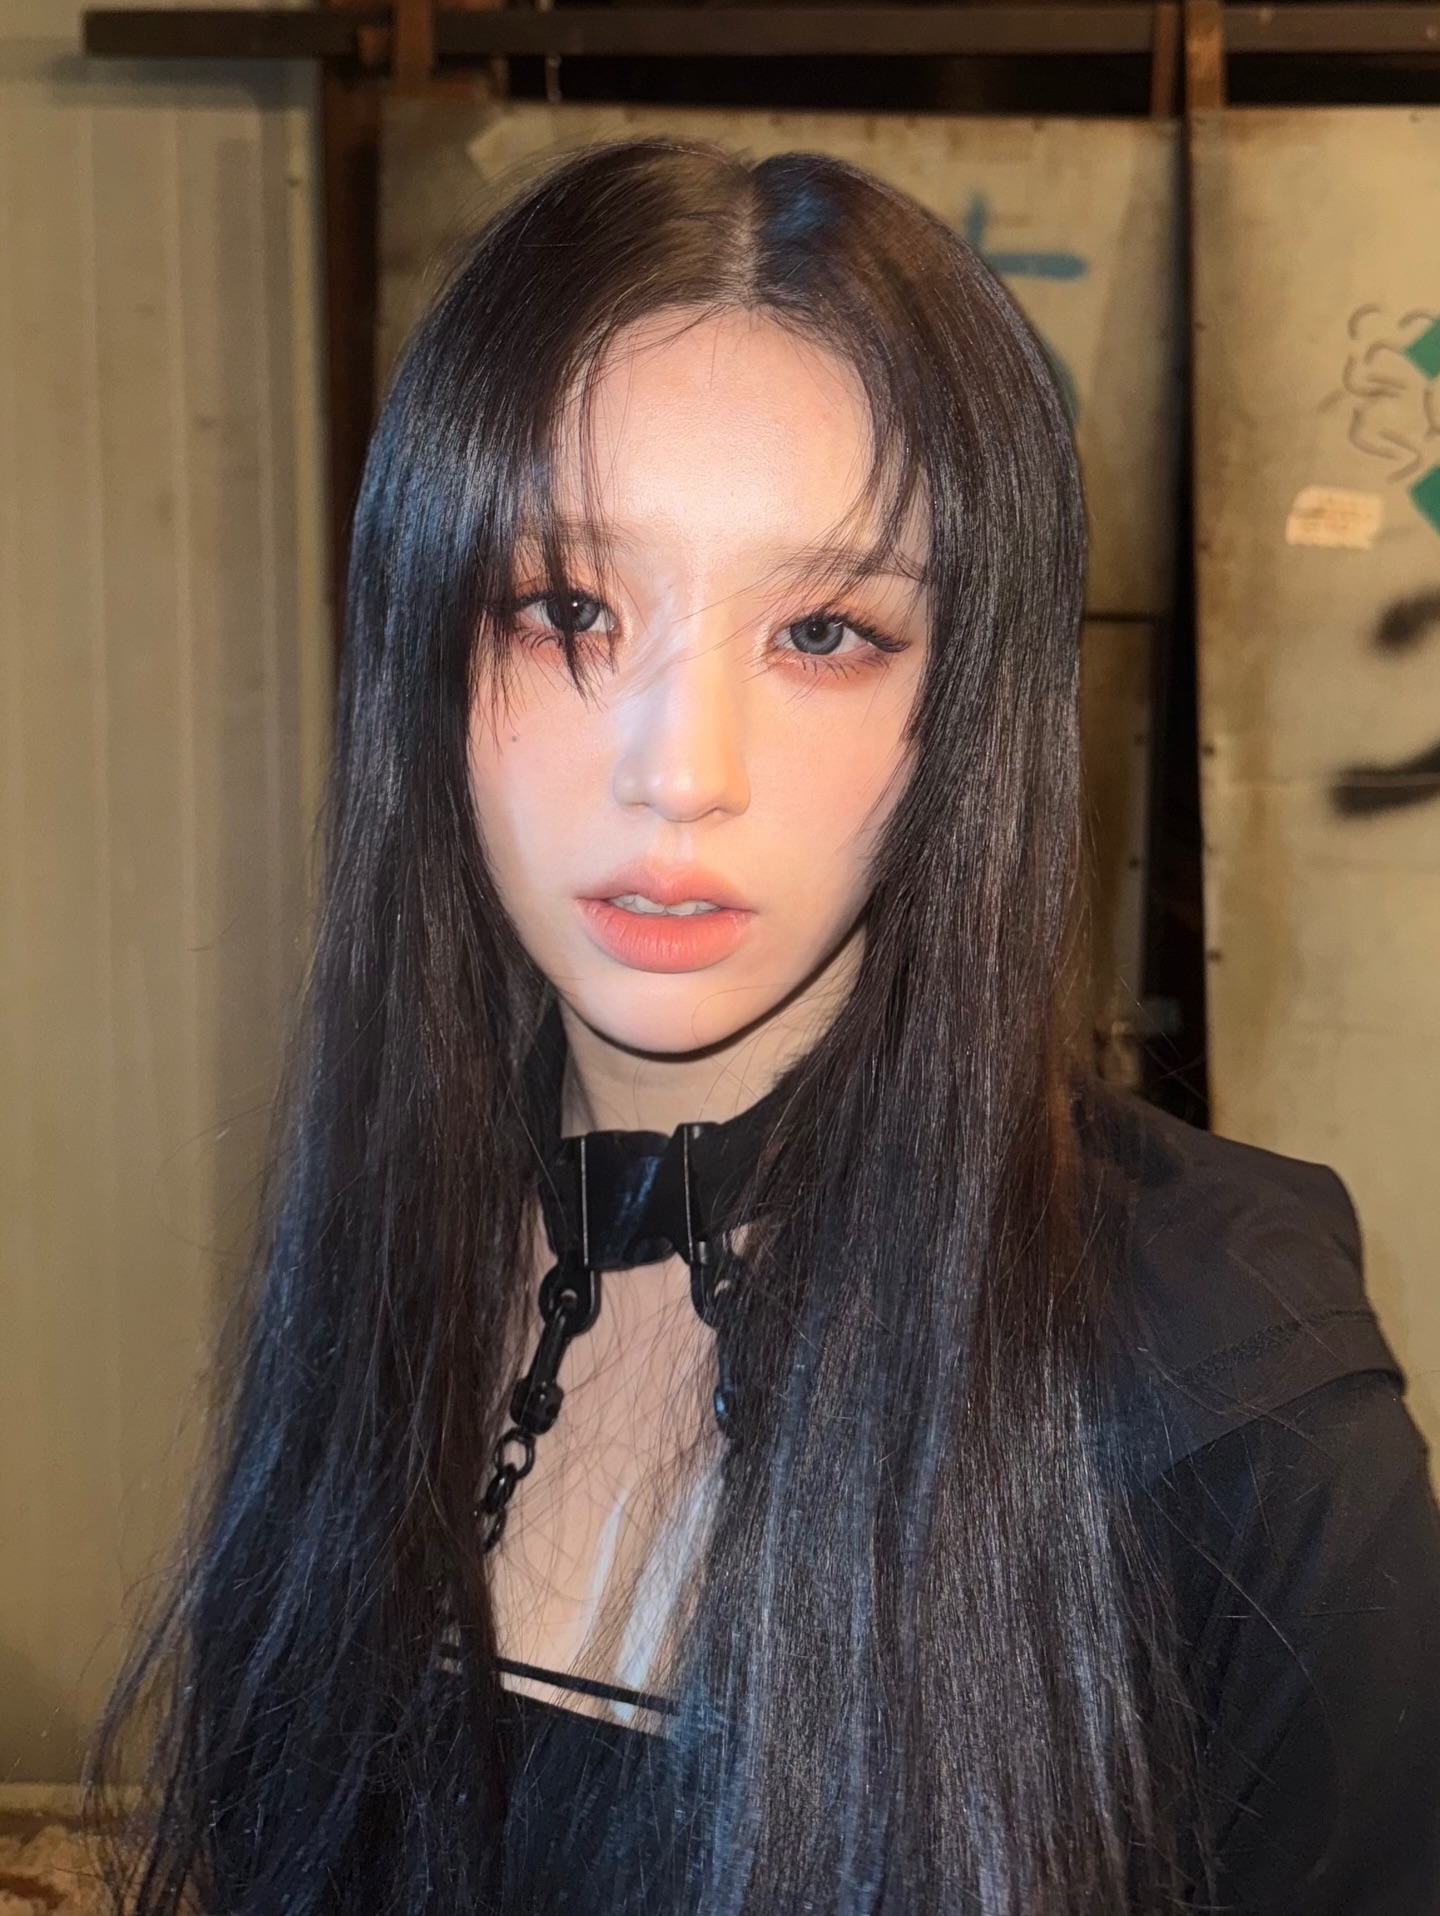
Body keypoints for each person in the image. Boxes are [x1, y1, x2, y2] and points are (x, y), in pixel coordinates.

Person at [97, 140, 1440, 1915]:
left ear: (972, 701)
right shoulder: (384, 1234)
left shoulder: (1226, 1391)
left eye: (823, 631)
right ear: (424, 646)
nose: (680, 770)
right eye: (567, 610)